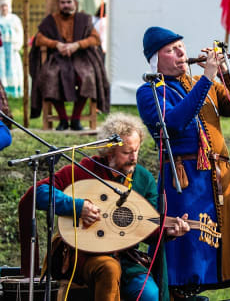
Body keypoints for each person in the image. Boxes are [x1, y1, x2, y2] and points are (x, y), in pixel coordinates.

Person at [136, 26, 230, 301]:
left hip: (223, 182)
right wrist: (206, 78)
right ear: (155, 60)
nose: (181, 52)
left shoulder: (203, 84)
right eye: (171, 49)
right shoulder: (149, 91)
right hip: (186, 186)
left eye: (181, 46)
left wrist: (225, 73)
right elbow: (174, 122)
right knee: (184, 271)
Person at [18, 112, 190, 301]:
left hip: (126, 258)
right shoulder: (85, 170)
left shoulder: (142, 178)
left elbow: (147, 230)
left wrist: (169, 232)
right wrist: (77, 206)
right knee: (109, 269)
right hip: (85, 254)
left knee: (150, 296)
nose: (133, 157)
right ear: (109, 151)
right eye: (126, 152)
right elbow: (39, 192)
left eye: (136, 150)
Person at [29, 0, 110, 131]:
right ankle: (63, 120)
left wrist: (77, 44)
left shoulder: (84, 19)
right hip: (57, 58)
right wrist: (57, 44)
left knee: (88, 77)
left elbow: (95, 38)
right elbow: (39, 38)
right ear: (58, 4)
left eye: (68, 2)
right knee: (49, 76)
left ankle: (76, 119)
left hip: (81, 57)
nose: (66, 5)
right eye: (62, 3)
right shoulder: (51, 20)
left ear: (75, 3)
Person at [0, 0, 23, 97]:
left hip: (12, 48)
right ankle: (3, 91)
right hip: (1, 48)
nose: (4, 8)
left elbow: (20, 33)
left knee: (13, 68)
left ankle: (14, 92)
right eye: (2, 6)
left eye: (6, 6)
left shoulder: (14, 19)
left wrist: (18, 45)